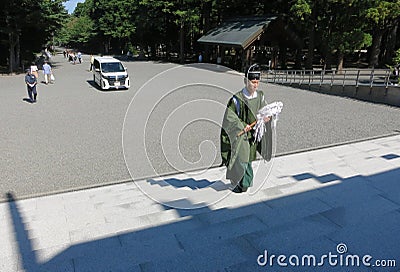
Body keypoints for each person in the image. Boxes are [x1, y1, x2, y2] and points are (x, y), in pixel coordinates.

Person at [220, 64, 272, 193]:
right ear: (245, 81)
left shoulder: (260, 96)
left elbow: (264, 110)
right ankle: (242, 183)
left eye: (257, 82)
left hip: (253, 134)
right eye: (252, 82)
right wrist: (243, 126)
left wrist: (266, 117)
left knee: (245, 158)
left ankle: (239, 181)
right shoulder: (237, 99)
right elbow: (230, 117)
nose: (255, 85)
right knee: (241, 158)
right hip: (241, 133)